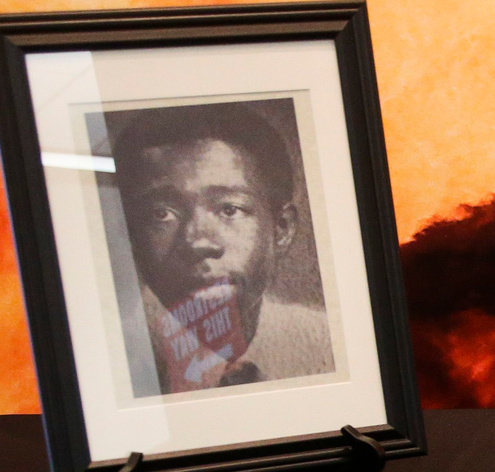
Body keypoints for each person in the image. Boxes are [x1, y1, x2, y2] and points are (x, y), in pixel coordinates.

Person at [110, 103, 333, 394]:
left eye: (229, 209)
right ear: (131, 237)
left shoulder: (335, 345)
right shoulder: (109, 367)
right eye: (161, 214)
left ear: (281, 228)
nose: (197, 242)